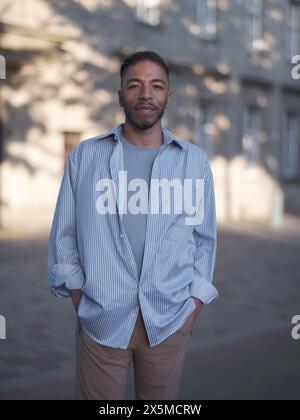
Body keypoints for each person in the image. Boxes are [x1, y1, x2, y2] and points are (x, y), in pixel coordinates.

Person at [48, 50, 219, 400]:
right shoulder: (86, 156)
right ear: (121, 93)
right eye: (135, 85)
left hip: (169, 321)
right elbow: (64, 236)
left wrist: (193, 306)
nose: (145, 94)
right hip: (102, 319)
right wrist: (82, 300)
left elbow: (204, 240)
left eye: (156, 85)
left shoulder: (194, 163)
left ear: (168, 95)